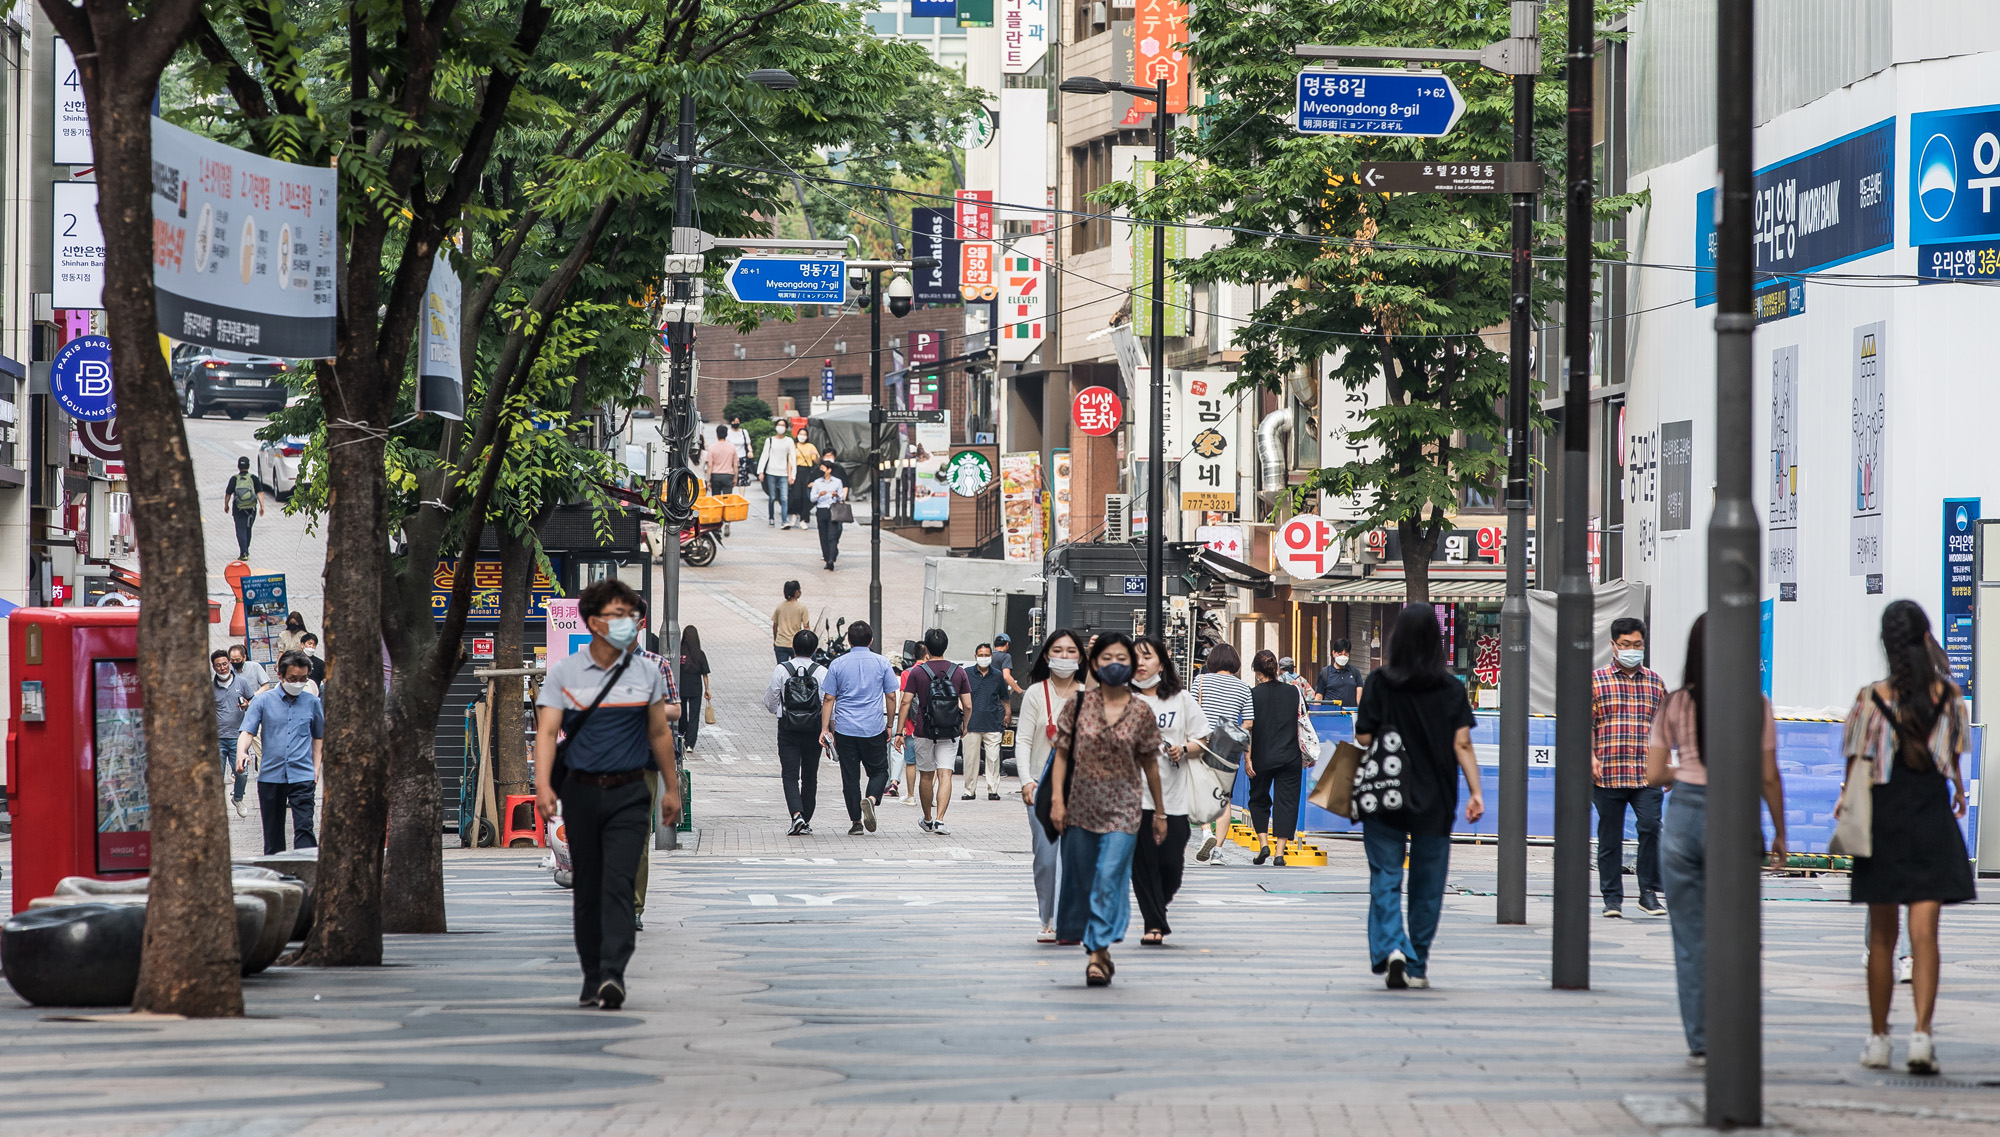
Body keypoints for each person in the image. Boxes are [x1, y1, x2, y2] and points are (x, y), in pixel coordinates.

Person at [1647, 613, 1786, 1069]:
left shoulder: (1674, 703)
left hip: (1683, 815)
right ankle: (1736, 1030)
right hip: (1733, 811)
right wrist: (1780, 832)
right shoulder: (1755, 702)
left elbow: (1653, 774)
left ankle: (1702, 1041)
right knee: (1739, 933)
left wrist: (1681, 775)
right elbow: (1767, 776)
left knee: (1690, 938)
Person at [532, 579, 680, 1009]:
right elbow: (545, 732)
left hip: (631, 791)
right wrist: (543, 785)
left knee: (618, 881)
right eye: (618, 616)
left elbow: (658, 731)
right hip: (580, 792)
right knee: (589, 886)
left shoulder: (648, 672)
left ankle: (613, 971)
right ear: (595, 622)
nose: (629, 625)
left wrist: (672, 788)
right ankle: (591, 971)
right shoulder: (565, 673)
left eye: (631, 617)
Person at [1842, 600, 1975, 1075]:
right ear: (1925, 638)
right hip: (1930, 815)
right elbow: (1952, 757)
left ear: (1885, 642)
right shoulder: (1949, 697)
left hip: (1883, 815)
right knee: (1925, 936)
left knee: (1882, 938)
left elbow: (1855, 763)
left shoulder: (1868, 697)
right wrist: (1957, 789)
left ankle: (1879, 1040)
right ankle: (1922, 1036)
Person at [1351, 604, 1484, 990]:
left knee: (1386, 876)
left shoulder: (1378, 681)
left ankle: (1392, 946)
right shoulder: (1452, 688)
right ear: (1436, 642)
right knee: (1428, 883)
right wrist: (1476, 792)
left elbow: (1363, 737)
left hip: (1384, 793)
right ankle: (1418, 963)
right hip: (1436, 798)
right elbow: (1462, 743)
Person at [1048, 632, 1166, 986]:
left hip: (1124, 809)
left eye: (1122, 659)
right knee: (1083, 879)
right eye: (1107, 659)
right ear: (1095, 664)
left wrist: (1159, 812)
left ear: (1132, 665)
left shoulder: (1141, 711)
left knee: (1109, 876)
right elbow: (1062, 754)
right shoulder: (1078, 705)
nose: (1115, 665)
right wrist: (1057, 800)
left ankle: (1098, 953)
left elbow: (1151, 765)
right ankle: (1097, 942)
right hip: (1080, 807)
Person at [1591, 617, 1669, 918]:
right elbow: (1587, 724)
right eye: (1625, 645)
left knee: (1650, 827)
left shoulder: (1655, 682)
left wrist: (1668, 762)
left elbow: (1665, 728)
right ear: (1613, 645)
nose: (1632, 650)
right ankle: (1612, 899)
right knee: (1609, 837)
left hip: (1646, 772)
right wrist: (1591, 757)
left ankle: (1647, 893)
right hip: (1607, 772)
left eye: (1637, 645)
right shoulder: (1596, 681)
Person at [1133, 636, 1207, 945]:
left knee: (1171, 864)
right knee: (1142, 863)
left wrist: (1184, 748)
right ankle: (1153, 923)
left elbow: (1204, 739)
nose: (1140, 663)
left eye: (1147, 657)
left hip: (1175, 798)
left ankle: (1157, 909)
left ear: (1161, 663)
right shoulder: (1123, 699)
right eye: (1134, 658)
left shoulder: (1181, 699)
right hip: (1134, 798)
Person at [1018, 629, 1083, 943]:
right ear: (1046, 655)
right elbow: (1024, 740)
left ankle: (1068, 918)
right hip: (1041, 787)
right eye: (1058, 650)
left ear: (1081, 657)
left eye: (1072, 651)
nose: (1065, 656)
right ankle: (1047, 917)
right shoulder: (1034, 693)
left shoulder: (1089, 694)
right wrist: (1026, 781)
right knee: (1046, 859)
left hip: (1082, 790)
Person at [818, 620, 900, 835]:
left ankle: (856, 823)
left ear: (849, 641)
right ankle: (871, 799)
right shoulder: (882, 663)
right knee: (880, 770)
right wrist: (890, 724)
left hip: (845, 730)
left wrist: (825, 729)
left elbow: (828, 698)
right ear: (871, 640)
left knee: (850, 777)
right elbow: (891, 695)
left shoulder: (837, 664)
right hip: (873, 728)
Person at [238, 652, 324, 856]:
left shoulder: (312, 702)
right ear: (281, 675)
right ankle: (277, 879)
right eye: (293, 679)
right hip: (270, 776)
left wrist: (316, 768)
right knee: (273, 835)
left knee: (305, 830)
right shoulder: (262, 701)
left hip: (302, 775)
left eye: (303, 679)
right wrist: (241, 752)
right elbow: (247, 731)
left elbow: (318, 736)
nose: (298, 683)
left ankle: (306, 875)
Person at [892, 628, 972, 834]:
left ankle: (927, 819)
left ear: (926, 648)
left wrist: (899, 732)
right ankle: (940, 820)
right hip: (950, 730)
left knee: (926, 776)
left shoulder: (917, 672)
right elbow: (968, 705)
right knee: (945, 774)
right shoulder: (959, 671)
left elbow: (905, 702)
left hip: (923, 730)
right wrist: (965, 725)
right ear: (946, 646)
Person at [1191, 643, 1252, 866]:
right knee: (1224, 799)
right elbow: (1248, 722)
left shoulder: (1201, 681)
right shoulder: (1243, 687)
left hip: (1203, 742)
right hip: (1228, 747)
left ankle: (1207, 832)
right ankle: (1217, 851)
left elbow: (1190, 711)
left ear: (1212, 661)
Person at [1246, 649, 1306, 867]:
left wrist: (1248, 759)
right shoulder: (1293, 692)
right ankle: (1280, 853)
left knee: (1258, 798)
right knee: (1287, 802)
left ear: (1256, 671)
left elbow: (1248, 729)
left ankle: (1264, 844)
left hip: (1262, 757)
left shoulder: (1253, 694)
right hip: (1290, 756)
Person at [765, 628, 828, 835]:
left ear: (793, 647)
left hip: (788, 730)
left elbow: (771, 700)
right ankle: (805, 819)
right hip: (813, 730)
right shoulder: (821, 672)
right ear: (815, 649)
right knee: (811, 775)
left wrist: (782, 712)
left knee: (790, 775)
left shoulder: (782, 669)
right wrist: (829, 730)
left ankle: (796, 815)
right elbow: (827, 703)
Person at [212, 649, 258, 819]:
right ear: (214, 667)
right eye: (218, 665)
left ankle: (238, 798)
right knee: (218, 774)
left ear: (229, 663)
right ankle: (216, 807)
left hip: (238, 737)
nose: (222, 668)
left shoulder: (242, 682)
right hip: (218, 737)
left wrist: (247, 705)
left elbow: (253, 700)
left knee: (243, 773)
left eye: (225, 664)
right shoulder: (211, 687)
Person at [961, 642, 1009, 801]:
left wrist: (1007, 713)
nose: (983, 658)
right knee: (970, 761)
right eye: (980, 655)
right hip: (971, 724)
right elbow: (959, 696)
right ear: (975, 657)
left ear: (991, 656)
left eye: (986, 655)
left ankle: (993, 790)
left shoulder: (997, 675)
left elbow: (1004, 697)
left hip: (992, 723)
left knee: (994, 759)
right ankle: (969, 791)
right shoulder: (967, 674)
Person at [221, 455, 268, 561]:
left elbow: (228, 494)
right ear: (248, 466)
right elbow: (259, 493)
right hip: (251, 509)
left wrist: (226, 505)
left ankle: (244, 552)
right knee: (248, 529)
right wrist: (262, 506)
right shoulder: (253, 478)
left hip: (238, 508)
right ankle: (246, 549)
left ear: (238, 466)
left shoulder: (234, 479)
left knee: (240, 529)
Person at [678, 625, 712, 751]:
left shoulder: (679, 652)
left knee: (681, 713)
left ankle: (682, 733)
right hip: (695, 689)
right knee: (694, 716)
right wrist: (707, 689)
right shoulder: (700, 654)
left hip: (681, 688)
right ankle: (690, 743)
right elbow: (705, 674)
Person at [809, 460, 847, 571]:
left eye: (823, 468)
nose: (821, 470)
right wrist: (819, 495)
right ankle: (826, 558)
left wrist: (836, 495)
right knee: (823, 535)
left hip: (833, 509)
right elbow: (812, 498)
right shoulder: (817, 482)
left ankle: (831, 559)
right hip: (821, 509)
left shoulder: (837, 482)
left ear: (829, 470)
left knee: (833, 535)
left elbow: (842, 498)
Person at [757, 429, 796, 527]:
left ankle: (784, 520)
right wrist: (761, 471)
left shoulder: (789, 441)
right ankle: (771, 517)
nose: (781, 427)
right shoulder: (769, 440)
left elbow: (792, 458)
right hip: (771, 472)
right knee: (772, 497)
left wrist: (792, 475)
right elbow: (764, 455)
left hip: (783, 473)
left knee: (784, 498)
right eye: (779, 425)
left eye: (783, 425)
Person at [1314, 639, 1363, 706]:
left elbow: (1359, 698)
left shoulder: (1355, 672)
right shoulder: (1325, 673)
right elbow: (1318, 697)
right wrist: (1316, 714)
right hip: (1330, 714)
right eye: (1340, 654)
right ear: (1334, 653)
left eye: (1346, 654)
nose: (1343, 657)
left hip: (1349, 714)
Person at [772, 580, 810, 665]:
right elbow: (806, 626)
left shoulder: (780, 606)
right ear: (797, 592)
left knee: (782, 669)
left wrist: (775, 640)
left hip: (780, 643)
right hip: (795, 645)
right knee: (796, 670)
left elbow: (775, 626)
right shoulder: (801, 607)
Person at [789, 427, 820, 521]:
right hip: (796, 470)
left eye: (804, 434)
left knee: (805, 496)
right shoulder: (793, 446)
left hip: (807, 471)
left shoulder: (811, 446)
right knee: (796, 495)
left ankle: (804, 518)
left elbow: (817, 461)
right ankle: (794, 513)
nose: (802, 436)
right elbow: (790, 462)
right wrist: (790, 475)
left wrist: (816, 456)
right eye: (800, 434)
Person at [704, 425, 739, 496]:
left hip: (715, 476)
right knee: (727, 498)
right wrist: (735, 478)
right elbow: (735, 464)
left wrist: (708, 480)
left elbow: (710, 465)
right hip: (728, 475)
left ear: (717, 435)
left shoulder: (711, 448)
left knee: (716, 498)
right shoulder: (732, 447)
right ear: (726, 435)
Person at [727, 415, 752, 479]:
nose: (736, 423)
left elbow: (748, 443)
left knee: (742, 477)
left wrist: (750, 452)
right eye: (734, 421)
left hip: (742, 457)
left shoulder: (744, 432)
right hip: (731, 458)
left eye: (737, 421)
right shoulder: (728, 432)